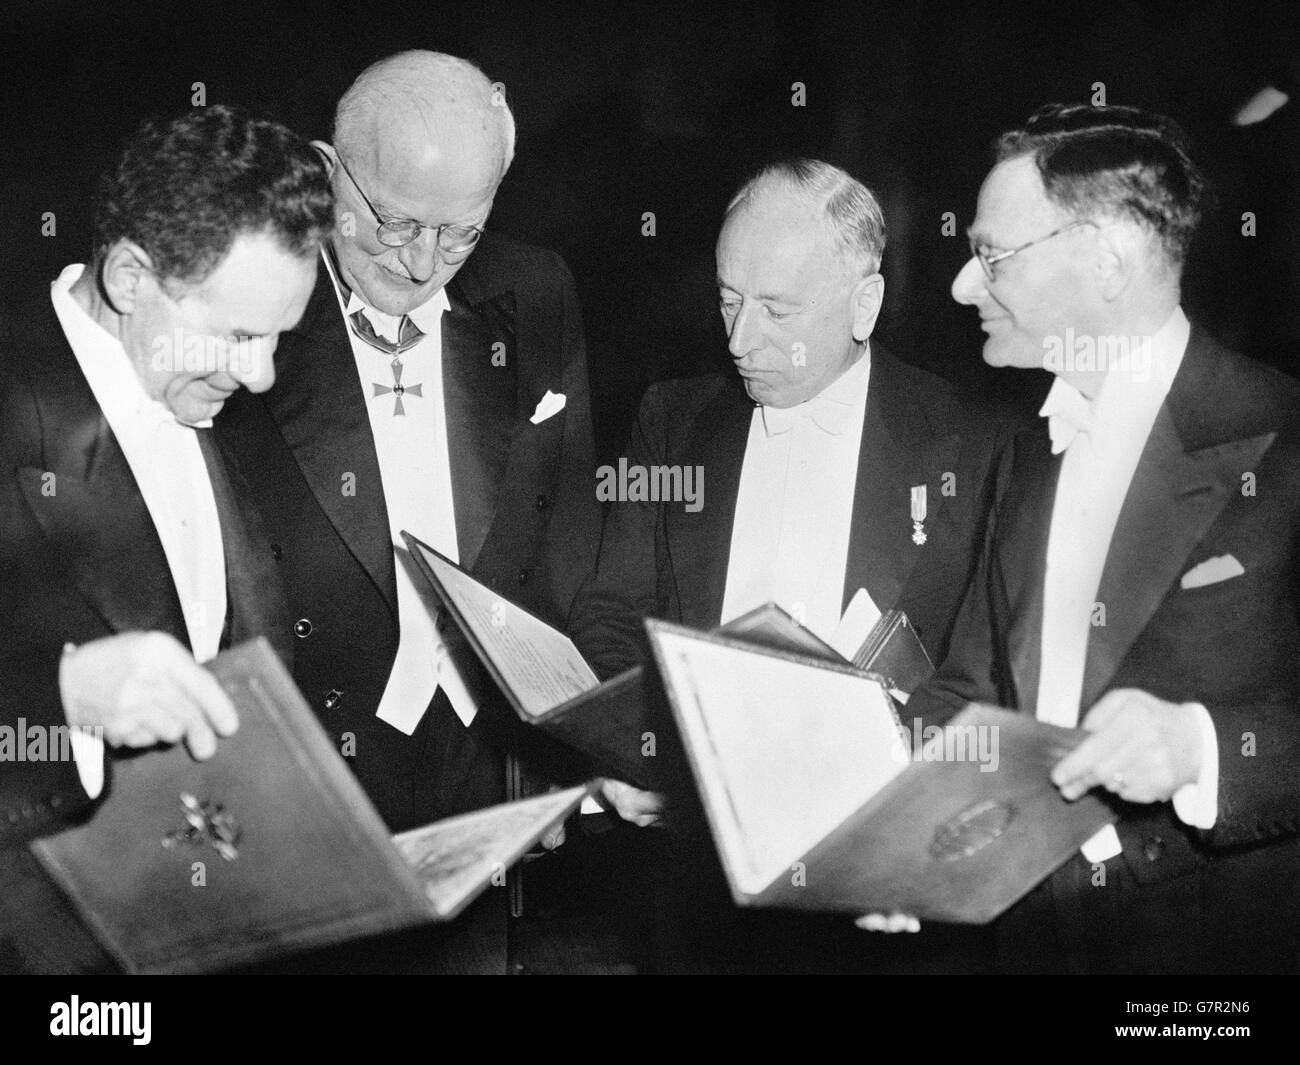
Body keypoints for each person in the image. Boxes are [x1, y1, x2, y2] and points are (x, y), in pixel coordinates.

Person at [570, 159, 1016, 972]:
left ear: (865, 303)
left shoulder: (974, 445)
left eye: (777, 310)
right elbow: (608, 613)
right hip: (700, 886)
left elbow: (985, 682)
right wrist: (646, 752)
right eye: (728, 301)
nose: (741, 340)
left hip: (883, 901)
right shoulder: (670, 420)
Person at [215, 51, 601, 973]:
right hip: (294, 787)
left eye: (458, 234)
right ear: (325, 170)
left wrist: (560, 748)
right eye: (393, 221)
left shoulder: (533, 292)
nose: (422, 262)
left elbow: (569, 540)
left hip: (477, 788)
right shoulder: (252, 298)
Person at [907, 102, 1300, 974]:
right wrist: (898, 848)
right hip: (1031, 935)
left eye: (991, 256)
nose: (962, 287)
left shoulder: (1284, 437)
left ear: (1109, 260)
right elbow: (969, 694)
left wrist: (1203, 746)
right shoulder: (1024, 458)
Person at [0, 104, 332, 970]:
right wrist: (61, 696)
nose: (260, 374)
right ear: (130, 278)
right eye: (238, 335)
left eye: (277, 339)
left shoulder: (190, 380)